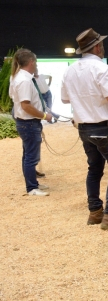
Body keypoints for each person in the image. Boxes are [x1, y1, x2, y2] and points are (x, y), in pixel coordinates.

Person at [61, 28, 108, 230]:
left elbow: (65, 99)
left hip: (84, 127)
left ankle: (95, 212)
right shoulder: (102, 69)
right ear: (97, 46)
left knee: (94, 169)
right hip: (104, 126)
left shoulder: (70, 70)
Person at [9, 48, 53, 196]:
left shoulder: (18, 77)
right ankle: (32, 188)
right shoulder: (24, 80)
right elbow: (26, 105)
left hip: (26, 122)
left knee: (28, 154)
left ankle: (33, 183)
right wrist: (44, 116)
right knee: (31, 156)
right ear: (31, 62)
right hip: (28, 122)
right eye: (36, 62)